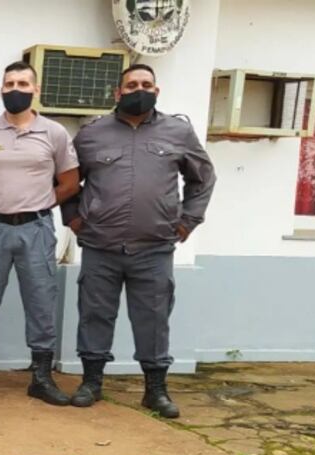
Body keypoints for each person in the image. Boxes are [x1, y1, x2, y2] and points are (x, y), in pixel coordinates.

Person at [62, 63, 216, 418]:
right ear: (117, 93)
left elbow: (202, 178)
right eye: (131, 85)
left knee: (154, 318)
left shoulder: (178, 132)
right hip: (101, 246)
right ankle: (91, 383)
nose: (138, 89)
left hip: (154, 247)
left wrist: (189, 220)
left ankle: (156, 390)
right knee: (95, 315)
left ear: (157, 91)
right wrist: (72, 217)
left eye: (146, 84)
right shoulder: (91, 134)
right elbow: (67, 180)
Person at [0, 61, 80, 404]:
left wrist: (39, 202)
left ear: (36, 89)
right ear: (0, 89)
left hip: (36, 229)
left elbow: (71, 181)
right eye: (9, 83)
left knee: (41, 301)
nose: (15, 89)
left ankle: (41, 377)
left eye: (23, 83)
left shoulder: (53, 133)